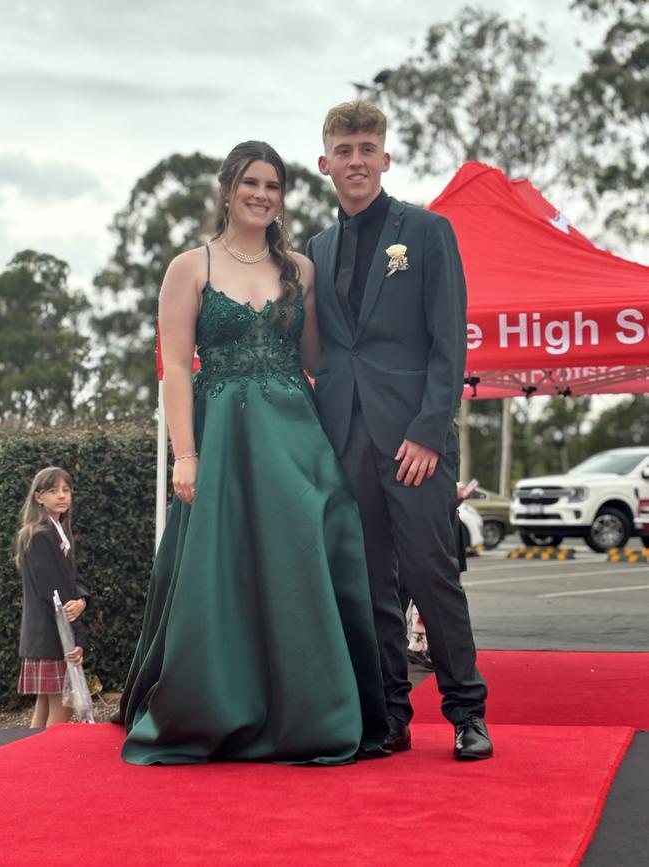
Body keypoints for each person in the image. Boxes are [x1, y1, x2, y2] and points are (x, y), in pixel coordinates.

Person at [115, 140, 389, 765]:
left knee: (301, 557)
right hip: (222, 439)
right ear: (228, 188)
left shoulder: (301, 268)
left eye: (273, 185)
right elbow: (177, 370)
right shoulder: (191, 267)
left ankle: (315, 711)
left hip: (295, 435)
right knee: (222, 567)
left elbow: (319, 358)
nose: (262, 194)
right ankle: (216, 706)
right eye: (251, 183)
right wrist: (185, 455)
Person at [307, 101, 492, 760]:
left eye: (366, 147)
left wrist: (427, 431)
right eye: (343, 149)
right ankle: (390, 713)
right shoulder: (316, 250)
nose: (355, 160)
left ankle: (467, 709)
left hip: (415, 443)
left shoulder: (429, 231)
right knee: (371, 582)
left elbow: (450, 346)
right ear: (323, 162)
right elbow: (325, 352)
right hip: (346, 441)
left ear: (386, 158)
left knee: (430, 572)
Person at [15, 467, 90, 728]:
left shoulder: (58, 534)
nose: (62, 496)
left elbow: (73, 584)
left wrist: (82, 601)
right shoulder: (40, 536)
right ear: (38, 497)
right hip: (53, 636)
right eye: (53, 490)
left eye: (66, 490)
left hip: (48, 636)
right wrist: (75, 639)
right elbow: (54, 597)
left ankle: (24, 766)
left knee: (46, 707)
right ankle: (40, 768)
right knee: (63, 711)